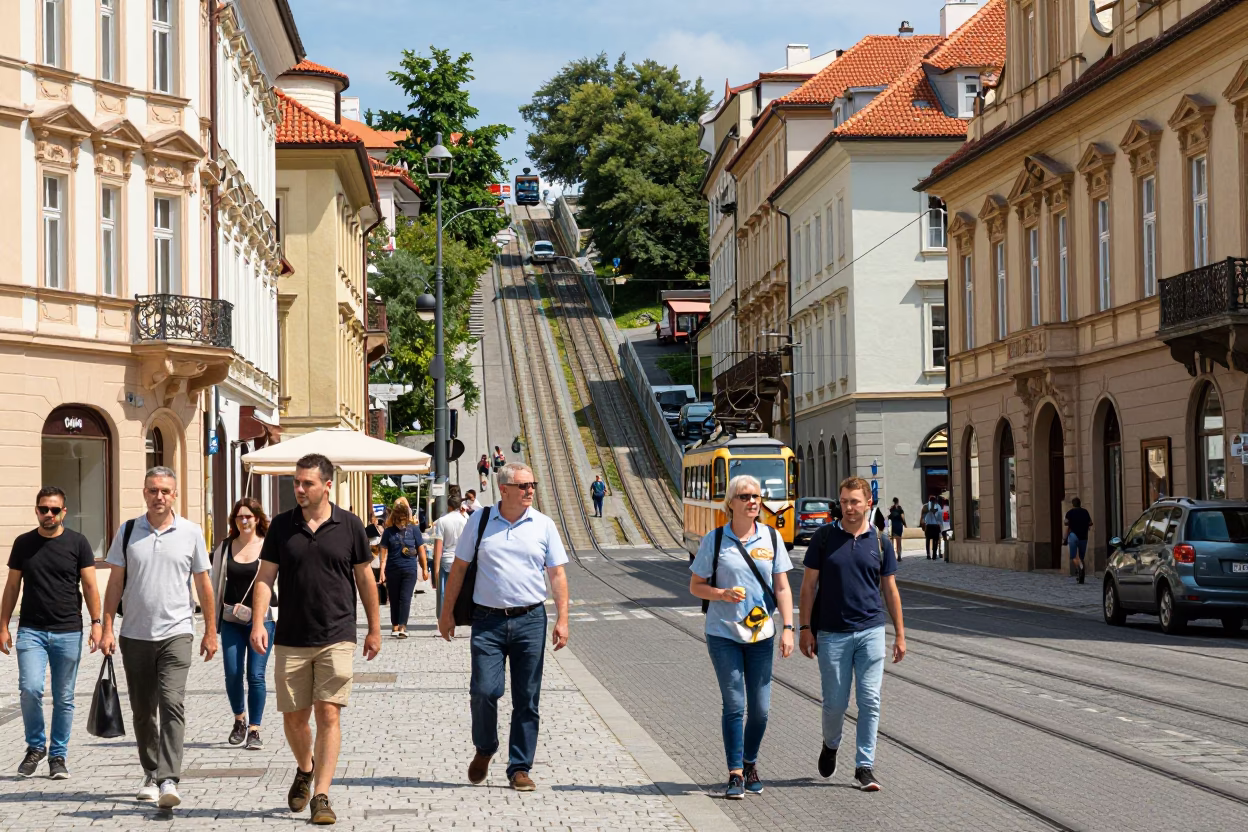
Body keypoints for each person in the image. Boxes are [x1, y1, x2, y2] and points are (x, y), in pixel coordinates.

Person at [249, 453, 381, 825]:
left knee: (328, 714)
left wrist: (374, 627)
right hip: (290, 635)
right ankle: (305, 769)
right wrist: (259, 622)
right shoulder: (281, 525)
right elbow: (265, 577)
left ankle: (321, 794)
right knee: (294, 719)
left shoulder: (350, 525)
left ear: (327, 485)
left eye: (307, 483)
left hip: (336, 634)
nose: (300, 489)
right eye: (296, 482)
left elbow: (365, 579)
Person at [438, 463, 570, 792]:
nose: (530, 490)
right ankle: (485, 748)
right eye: (523, 485)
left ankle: (520, 768)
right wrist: (446, 612)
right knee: (484, 690)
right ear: (504, 489)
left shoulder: (543, 525)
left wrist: (563, 619)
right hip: (488, 620)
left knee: (527, 697)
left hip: (530, 619)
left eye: (532, 485)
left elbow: (557, 574)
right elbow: (459, 568)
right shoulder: (480, 522)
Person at [99, 466, 217, 809]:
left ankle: (168, 778)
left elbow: (203, 585)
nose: (159, 496)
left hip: (176, 633)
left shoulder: (191, 532)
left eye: (165, 491)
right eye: (153, 490)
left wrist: (210, 630)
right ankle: (150, 772)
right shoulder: (128, 531)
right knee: (141, 710)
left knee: (172, 703)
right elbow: (115, 583)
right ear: (145, 493)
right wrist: (107, 627)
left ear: (175, 495)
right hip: (134, 634)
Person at [689, 475, 794, 799]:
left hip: (761, 634)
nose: (753, 501)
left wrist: (789, 628)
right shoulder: (714, 540)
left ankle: (750, 763)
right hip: (723, 633)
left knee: (761, 709)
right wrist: (720, 593)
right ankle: (735, 772)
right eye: (746, 496)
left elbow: (782, 587)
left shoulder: (772, 538)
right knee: (734, 704)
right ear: (731, 502)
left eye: (757, 497)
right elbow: (696, 586)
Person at [800, 477, 906, 792]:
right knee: (834, 703)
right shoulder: (823, 538)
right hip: (832, 633)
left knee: (870, 700)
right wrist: (805, 628)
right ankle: (831, 744)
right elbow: (808, 587)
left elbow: (890, 589)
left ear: (868, 503)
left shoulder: (880, 542)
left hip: (871, 630)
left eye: (855, 501)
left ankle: (864, 766)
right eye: (844, 501)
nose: (849, 507)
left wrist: (900, 634)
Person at [1, 486, 102, 780]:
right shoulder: (23, 544)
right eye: (44, 509)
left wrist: (97, 623)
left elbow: (91, 586)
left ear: (63, 513)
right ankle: (35, 747)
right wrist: (3, 624)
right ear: (36, 510)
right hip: (31, 630)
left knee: (64, 696)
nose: (49, 514)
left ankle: (58, 755)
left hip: (68, 629)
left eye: (54, 510)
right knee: (30, 689)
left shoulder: (78, 543)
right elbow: (11, 587)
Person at [210, 498, 275, 751]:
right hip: (231, 620)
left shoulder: (269, 547)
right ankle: (239, 720)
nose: (244, 521)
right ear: (234, 521)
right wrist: (212, 624)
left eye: (249, 516)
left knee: (256, 675)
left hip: (264, 620)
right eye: (240, 517)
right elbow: (215, 584)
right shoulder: (225, 548)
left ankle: (255, 729)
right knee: (233, 673)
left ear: (258, 518)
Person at [379, 499, 427, 638]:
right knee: (394, 598)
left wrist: (424, 568)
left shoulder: (414, 530)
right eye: (400, 519)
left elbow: (421, 550)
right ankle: (395, 626)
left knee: (405, 598)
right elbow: (383, 554)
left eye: (403, 518)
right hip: (392, 569)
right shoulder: (388, 532)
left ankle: (402, 627)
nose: (402, 521)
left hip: (409, 569)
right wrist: (382, 571)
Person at [431, 495, 469, 619]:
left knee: (443, 592)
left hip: (446, 559)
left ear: (449, 506)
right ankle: (457, 616)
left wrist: (436, 568)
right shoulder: (465, 521)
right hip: (460, 559)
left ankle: (444, 618)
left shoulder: (442, 521)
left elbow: (438, 546)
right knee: (459, 591)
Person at [1065, 497, 1093, 584]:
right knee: (1081, 556)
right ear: (1080, 503)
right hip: (1083, 536)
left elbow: (1066, 523)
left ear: (1073, 504)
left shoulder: (1069, 513)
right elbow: (1090, 522)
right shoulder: (1085, 512)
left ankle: (1079, 568)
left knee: (1074, 556)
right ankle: (1081, 568)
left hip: (1073, 535)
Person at [366, 520, 387, 606]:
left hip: (374, 563)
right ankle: (382, 599)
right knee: (380, 582)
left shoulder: (373, 540)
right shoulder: (378, 538)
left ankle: (379, 599)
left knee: (377, 582)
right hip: (377, 563)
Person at [921, 495, 943, 559]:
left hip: (928, 525)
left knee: (928, 540)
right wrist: (941, 525)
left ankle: (928, 554)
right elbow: (940, 517)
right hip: (935, 525)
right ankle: (934, 554)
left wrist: (923, 524)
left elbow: (922, 517)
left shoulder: (925, 506)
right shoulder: (938, 506)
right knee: (935, 540)